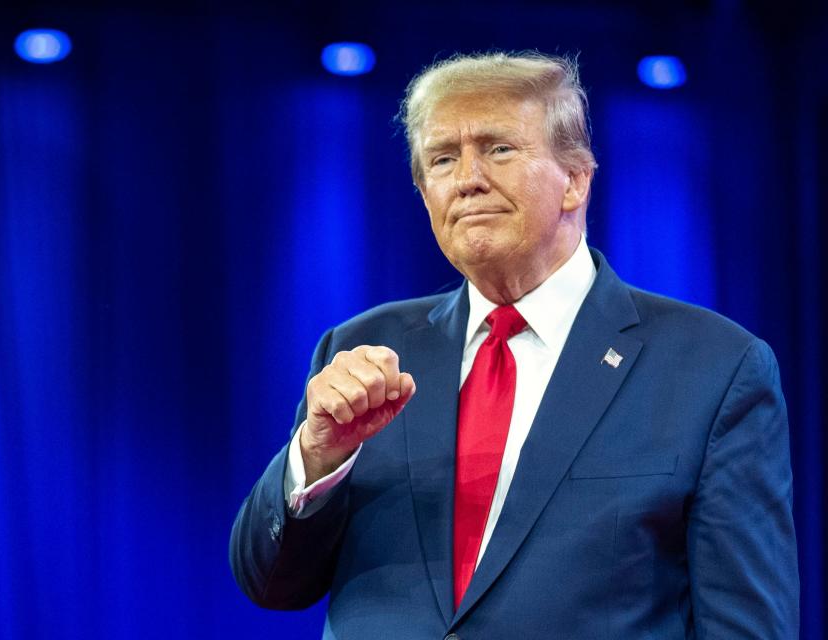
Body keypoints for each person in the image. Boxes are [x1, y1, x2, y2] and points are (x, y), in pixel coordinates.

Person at [229, 51, 799, 639]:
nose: (468, 179)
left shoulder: (714, 368)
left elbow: (746, 624)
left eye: (499, 149)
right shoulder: (362, 351)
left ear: (576, 180)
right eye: (443, 159)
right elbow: (269, 582)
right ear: (426, 196)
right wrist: (318, 456)